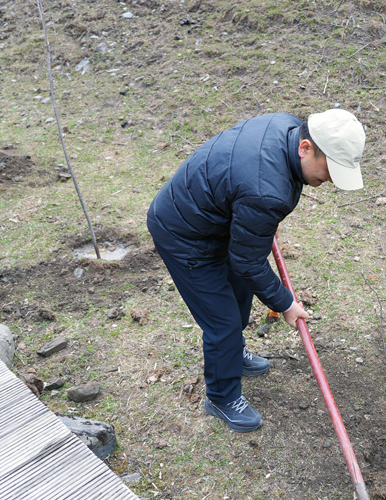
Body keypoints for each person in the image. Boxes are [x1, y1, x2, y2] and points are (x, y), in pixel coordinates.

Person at [147, 109, 365, 432]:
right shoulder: (267, 190)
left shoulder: (286, 126)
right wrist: (286, 303)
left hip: (215, 218)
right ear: (305, 148)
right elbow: (248, 262)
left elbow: (248, 219)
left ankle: (231, 354)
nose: (332, 180)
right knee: (222, 320)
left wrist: (260, 222)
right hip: (183, 233)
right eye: (330, 169)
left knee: (241, 291)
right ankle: (221, 397)